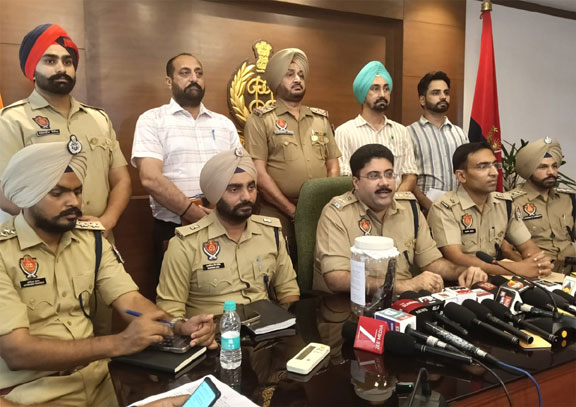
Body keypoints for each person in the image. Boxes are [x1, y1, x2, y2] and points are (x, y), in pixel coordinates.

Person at [0, 140, 216, 406]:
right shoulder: (3, 252)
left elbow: (131, 302)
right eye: (57, 193)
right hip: (33, 393)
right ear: (27, 194)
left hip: (100, 383)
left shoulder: (90, 240)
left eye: (77, 191)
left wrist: (178, 326)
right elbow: (17, 352)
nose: (73, 202)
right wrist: (119, 343)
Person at [0, 23, 132, 335]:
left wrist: (106, 223)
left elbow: (122, 180)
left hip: (96, 244)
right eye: (50, 60)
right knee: (49, 336)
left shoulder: (98, 119)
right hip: (39, 249)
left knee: (100, 334)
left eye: (68, 61)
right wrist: (54, 222)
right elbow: (3, 191)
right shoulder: (13, 120)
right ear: (32, 69)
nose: (61, 68)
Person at [314, 144, 487, 294]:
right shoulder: (337, 213)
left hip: (402, 304)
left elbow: (432, 262)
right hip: (349, 306)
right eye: (374, 176)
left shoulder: (409, 208)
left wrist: (463, 272)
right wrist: (404, 285)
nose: (384, 182)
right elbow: (336, 278)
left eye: (389, 174)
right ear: (356, 182)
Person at [132, 53, 242, 275]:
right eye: (185, 73)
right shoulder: (152, 120)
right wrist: (195, 214)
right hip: (174, 228)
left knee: (228, 289)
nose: (194, 78)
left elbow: (241, 174)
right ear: (169, 81)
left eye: (199, 73)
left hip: (225, 224)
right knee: (176, 295)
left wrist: (222, 216)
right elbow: (150, 179)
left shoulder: (224, 124)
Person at [156, 148, 300, 317]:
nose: (246, 197)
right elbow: (170, 311)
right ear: (215, 194)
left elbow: (288, 291)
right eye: (234, 189)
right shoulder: (186, 244)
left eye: (251, 187)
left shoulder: (271, 233)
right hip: (214, 331)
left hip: (267, 329)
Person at [244, 48, 341, 257]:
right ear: (276, 80)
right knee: (281, 266)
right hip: (277, 210)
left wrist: (324, 202)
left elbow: (333, 165)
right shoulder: (261, 119)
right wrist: (292, 210)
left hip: (318, 210)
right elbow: (258, 173)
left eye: (301, 75)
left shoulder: (320, 119)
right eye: (289, 74)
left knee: (321, 264)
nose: (297, 79)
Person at [427, 142, 553, 277]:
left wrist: (539, 263)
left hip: (497, 279)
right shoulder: (445, 207)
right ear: (461, 176)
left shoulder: (504, 204)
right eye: (483, 167)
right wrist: (516, 268)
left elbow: (527, 246)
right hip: (461, 280)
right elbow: (457, 258)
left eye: (495, 165)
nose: (494, 172)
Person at [336, 61, 417, 192]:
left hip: (396, 201)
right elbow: (344, 179)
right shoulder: (345, 132)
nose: (382, 95)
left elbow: (410, 175)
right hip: (359, 203)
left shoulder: (401, 131)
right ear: (362, 93)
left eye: (386, 89)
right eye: (375, 89)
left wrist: (393, 200)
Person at [511, 137, 576, 274]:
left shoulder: (568, 199)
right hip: (538, 274)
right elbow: (507, 249)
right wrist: (531, 270)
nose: (551, 172)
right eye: (543, 167)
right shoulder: (511, 201)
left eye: (554, 166)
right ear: (529, 170)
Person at [408, 71, 467, 213]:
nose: (443, 97)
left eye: (446, 93)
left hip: (458, 209)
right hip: (424, 210)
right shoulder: (409, 133)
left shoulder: (459, 133)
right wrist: (426, 204)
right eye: (436, 93)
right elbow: (407, 175)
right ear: (422, 100)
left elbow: (467, 170)